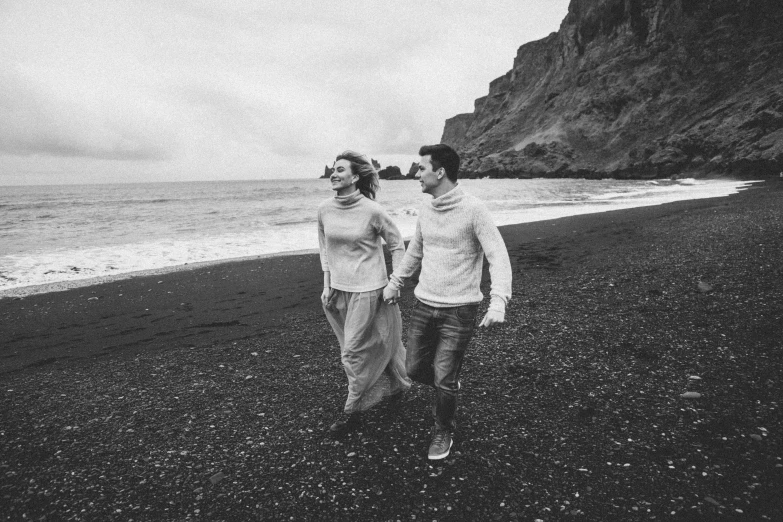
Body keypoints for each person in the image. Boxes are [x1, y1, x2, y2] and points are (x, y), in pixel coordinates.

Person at [383, 143, 512, 460]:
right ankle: (448, 385)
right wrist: (395, 281)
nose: (416, 173)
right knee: (413, 368)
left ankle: (443, 429)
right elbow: (415, 251)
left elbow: (498, 256)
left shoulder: (474, 210)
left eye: (421, 168)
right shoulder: (426, 209)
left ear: (440, 172)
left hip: (460, 309)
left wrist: (498, 302)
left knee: (443, 375)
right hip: (424, 304)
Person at [318, 150, 411, 436]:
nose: (334, 173)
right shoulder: (324, 209)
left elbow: (397, 244)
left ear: (356, 177)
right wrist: (326, 283)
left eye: (341, 170)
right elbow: (325, 249)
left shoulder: (372, 210)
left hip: (370, 290)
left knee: (352, 352)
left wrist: (394, 282)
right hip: (338, 291)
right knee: (373, 343)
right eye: (333, 169)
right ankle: (396, 385)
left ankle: (352, 411)